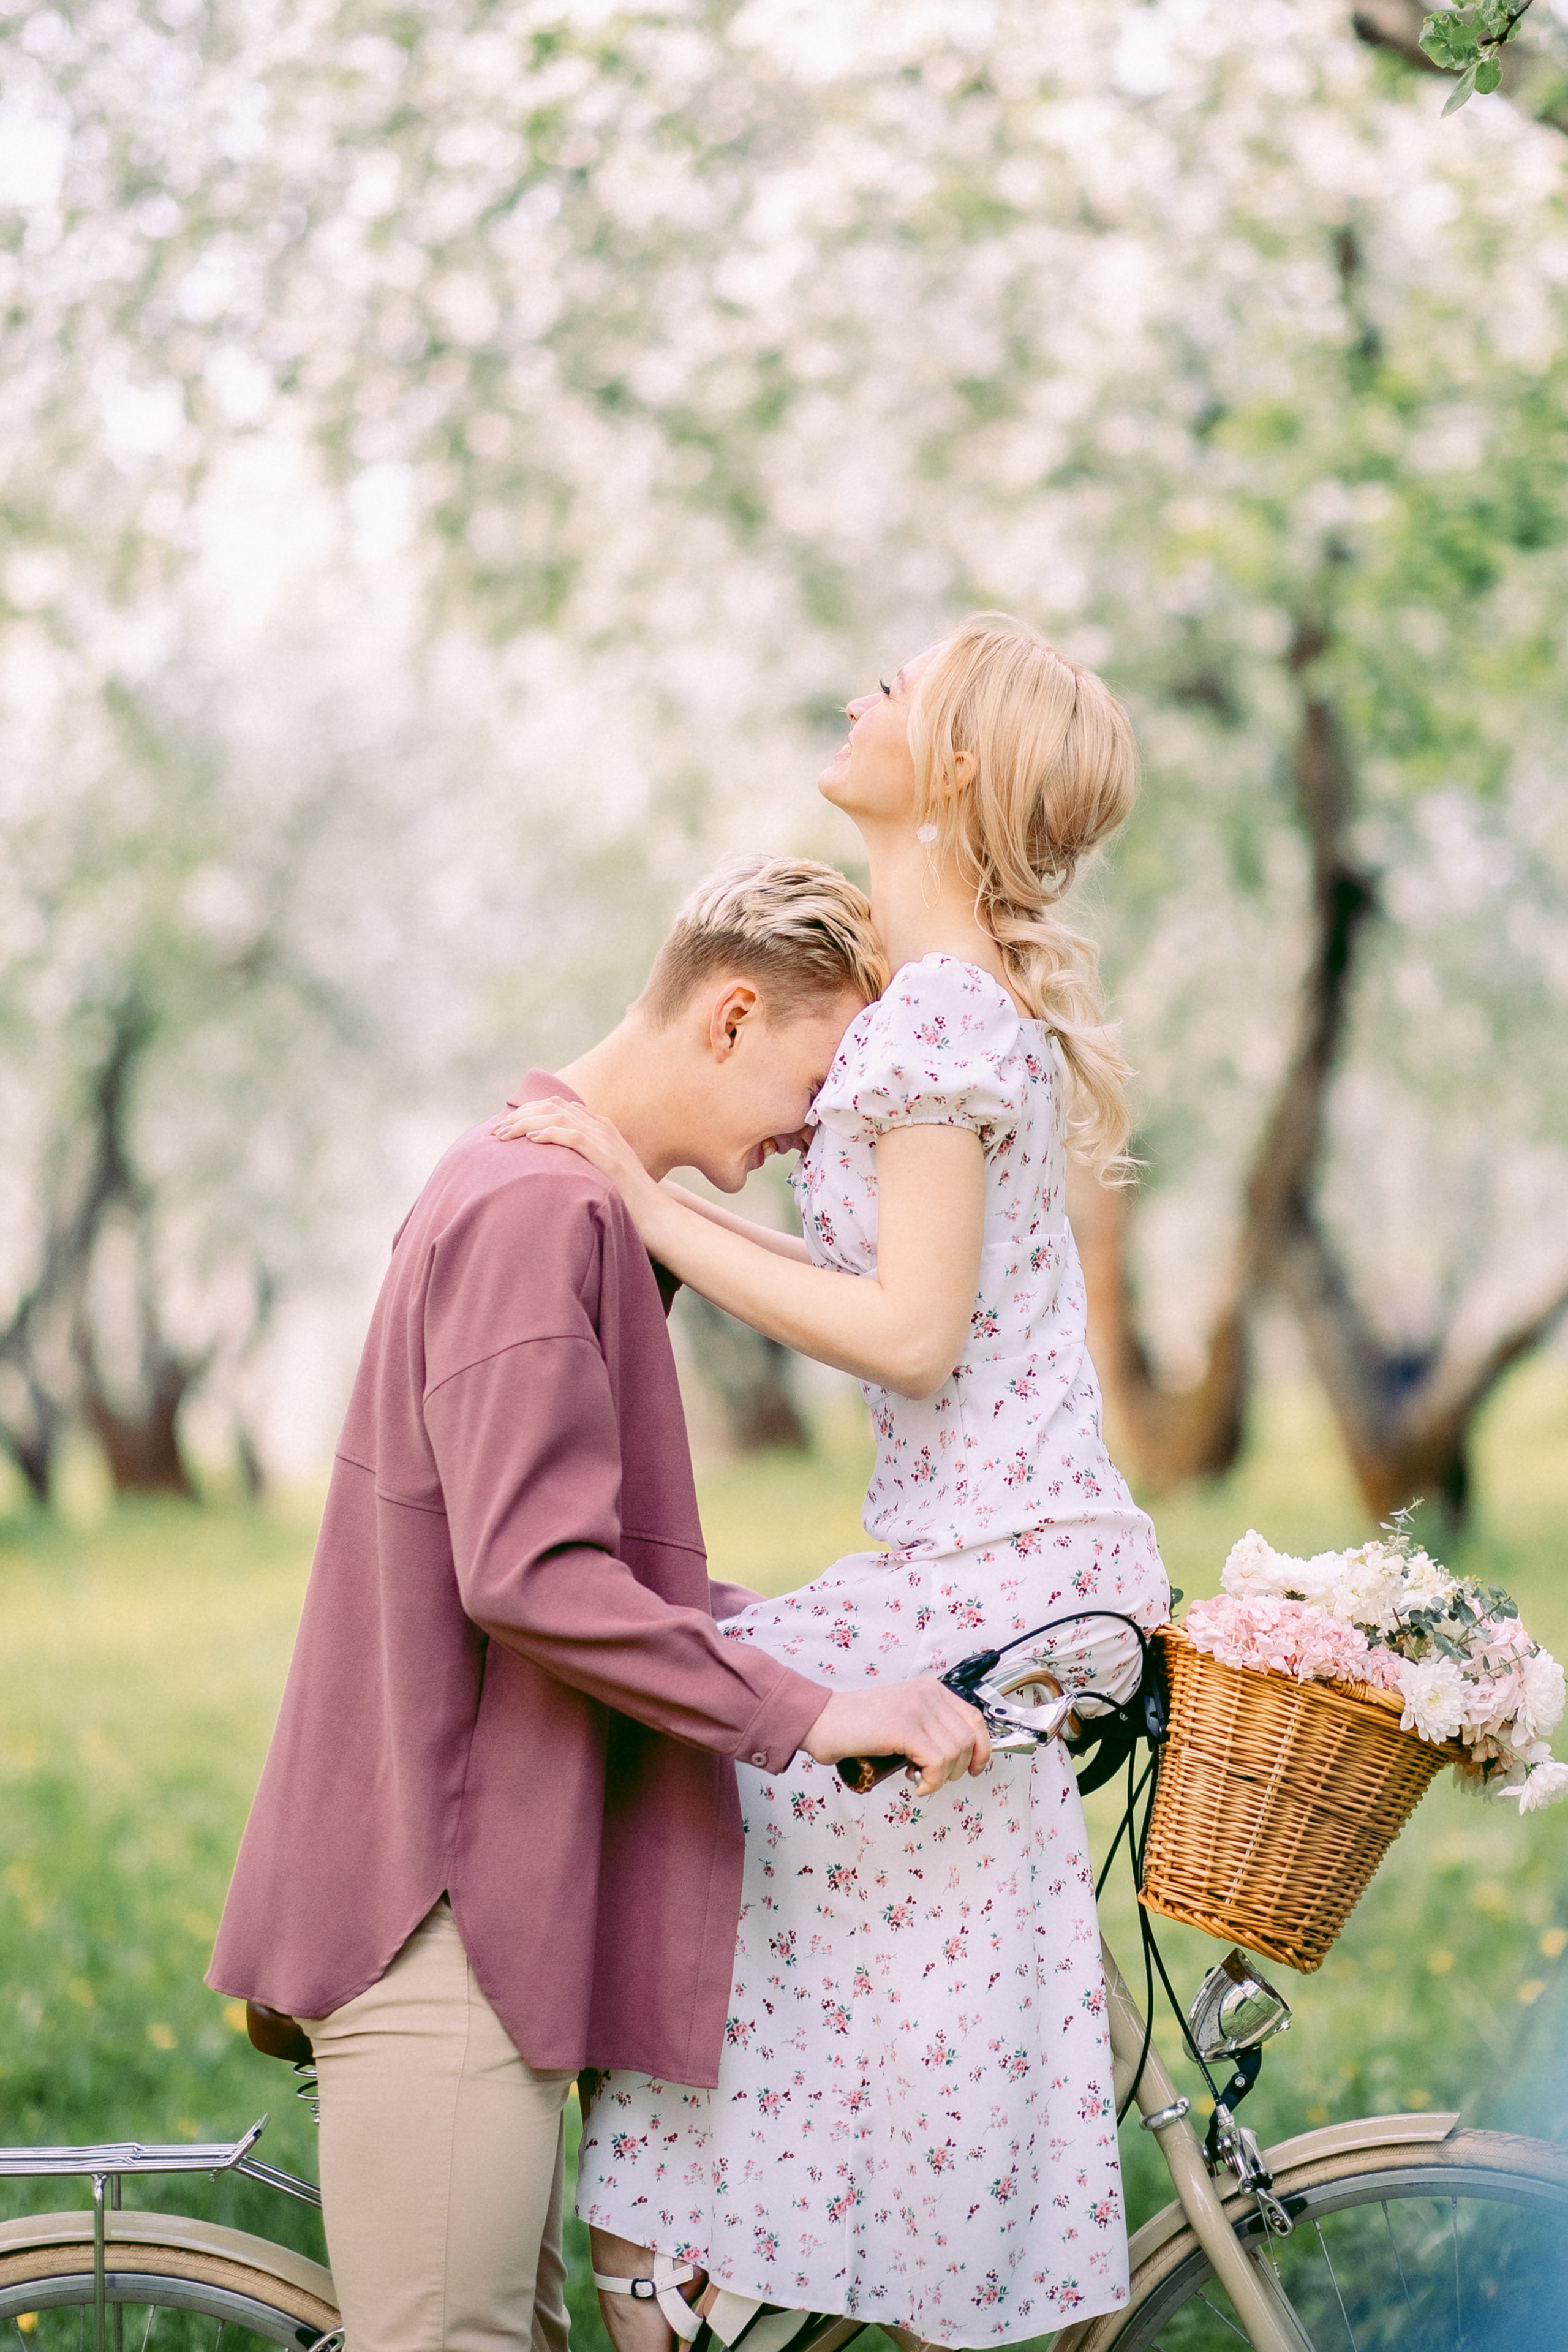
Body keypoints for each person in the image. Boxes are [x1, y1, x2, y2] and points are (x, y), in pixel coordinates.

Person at [206, 854, 995, 2352]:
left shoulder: (573, 1203)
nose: (814, 1125)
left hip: (486, 1900)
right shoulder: (532, 1208)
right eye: (816, 1076)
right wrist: (810, 1713)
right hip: (435, 1909)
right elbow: (534, 1576)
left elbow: (596, 1565)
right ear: (730, 1014)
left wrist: (841, 1640)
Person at [496, 616, 1172, 2349]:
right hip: (984, 1553)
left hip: (1008, 1560)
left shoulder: (942, 1016)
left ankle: (702, 2265)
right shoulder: (927, 1002)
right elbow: (896, 1301)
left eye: (903, 684)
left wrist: (644, 1206)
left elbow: (911, 1336)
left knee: (706, 1739)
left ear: (954, 765)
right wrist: (657, 1197)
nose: (863, 692)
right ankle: (755, 2245)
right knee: (726, 1722)